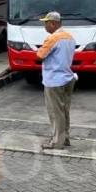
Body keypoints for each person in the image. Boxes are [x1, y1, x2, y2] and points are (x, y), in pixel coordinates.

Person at [35, 12, 77, 150]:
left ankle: (56, 142)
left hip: (54, 80)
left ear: (53, 23)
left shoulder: (53, 38)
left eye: (46, 23)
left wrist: (39, 50)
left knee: (55, 112)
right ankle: (65, 138)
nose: (45, 26)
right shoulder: (70, 37)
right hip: (68, 77)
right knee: (64, 110)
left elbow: (40, 55)